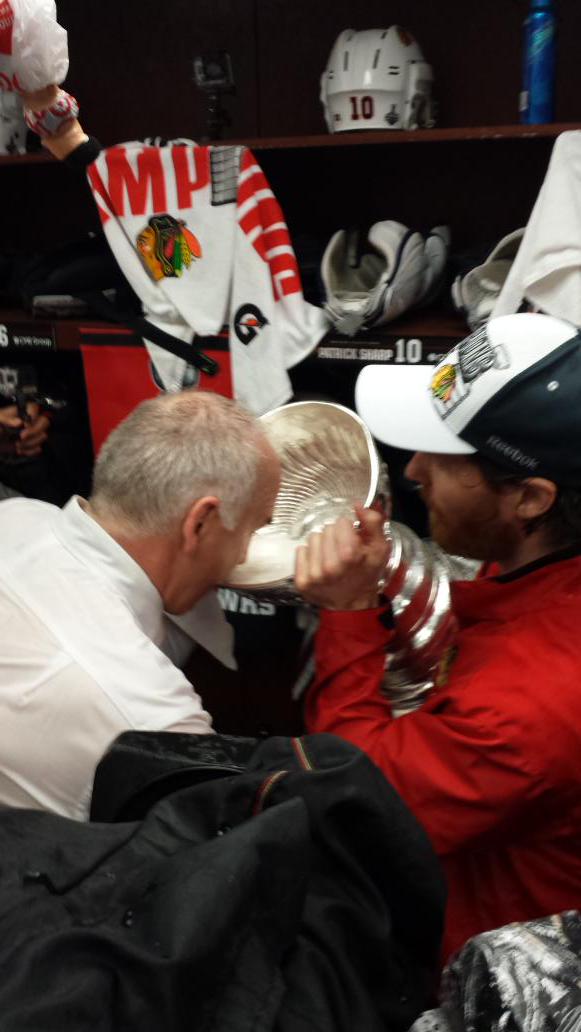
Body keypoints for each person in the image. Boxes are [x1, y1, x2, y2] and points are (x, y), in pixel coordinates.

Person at [298, 312, 581, 960]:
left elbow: (356, 807)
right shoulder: (531, 558)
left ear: (530, 499)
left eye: (442, 456)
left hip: (487, 986)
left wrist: (345, 612)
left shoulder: (527, 705)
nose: (413, 470)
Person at [0, 388, 280, 820]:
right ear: (200, 522)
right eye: (253, 528)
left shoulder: (18, 515)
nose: (244, 556)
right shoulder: (155, 727)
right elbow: (230, 867)